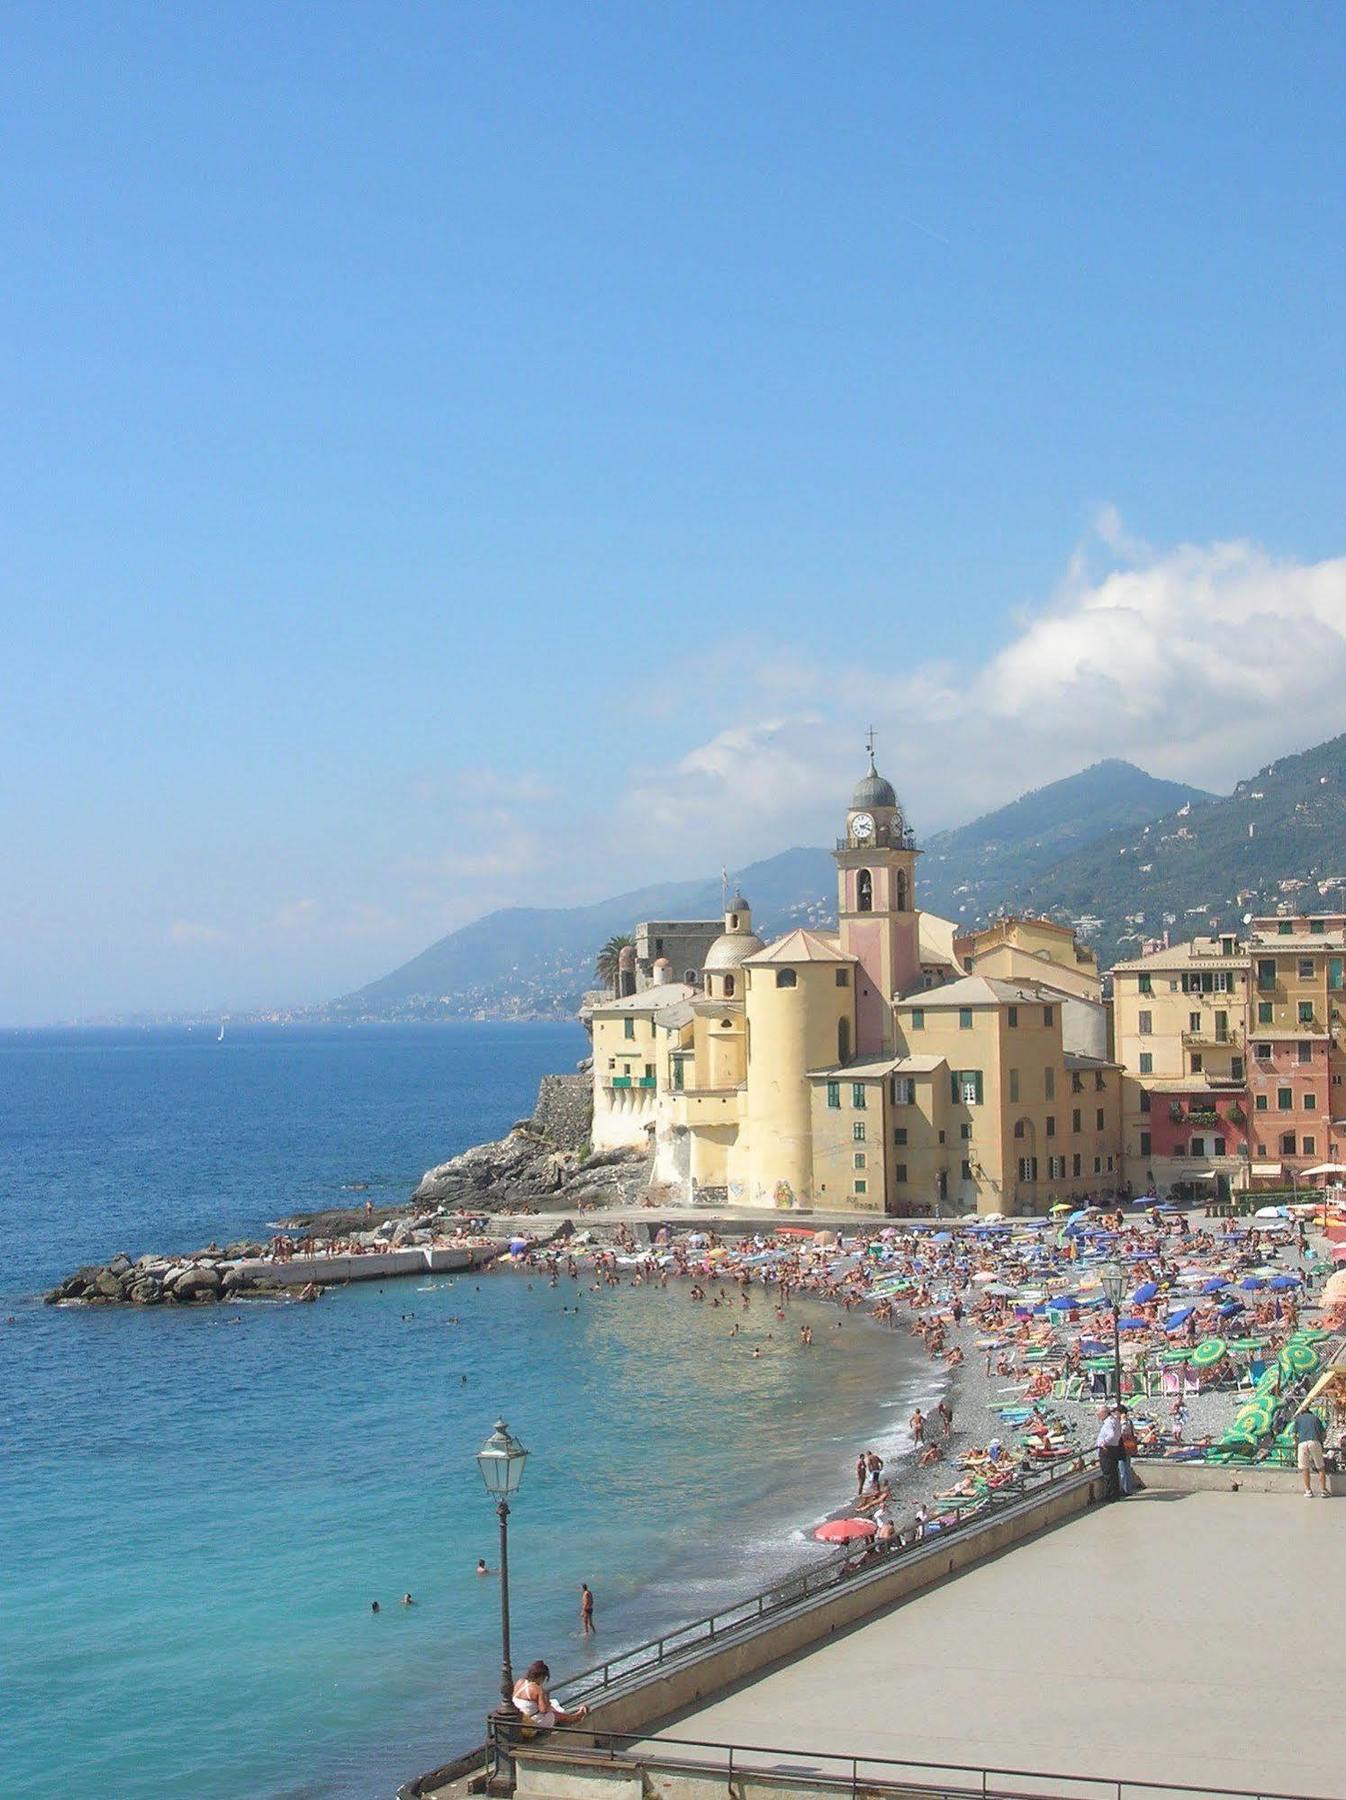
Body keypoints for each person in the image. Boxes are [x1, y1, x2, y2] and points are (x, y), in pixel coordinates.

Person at [511, 1660, 590, 1728]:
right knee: (557, 1715)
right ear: (541, 1676)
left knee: (553, 1711)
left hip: (520, 1718)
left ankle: (575, 1715)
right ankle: (577, 1716)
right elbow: (543, 1710)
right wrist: (547, 1701)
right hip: (531, 1721)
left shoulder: (520, 1682)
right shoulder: (537, 1689)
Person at [1294, 1404, 1330, 1498]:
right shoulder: (1316, 1418)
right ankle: (1323, 1490)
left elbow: (1294, 1434)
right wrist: (1321, 1442)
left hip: (1302, 1443)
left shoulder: (1298, 1419)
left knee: (1304, 1467)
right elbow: (1324, 1433)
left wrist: (1296, 1443)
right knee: (1320, 1467)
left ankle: (1308, 1490)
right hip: (1314, 1441)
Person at [1096, 1403, 1125, 1501]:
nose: (1097, 1415)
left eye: (1098, 1413)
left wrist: (1104, 1442)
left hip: (1107, 1450)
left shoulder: (1109, 1422)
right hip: (1114, 1448)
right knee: (1114, 1472)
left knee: (1108, 1473)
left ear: (1104, 1413)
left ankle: (1110, 1495)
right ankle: (1115, 1494)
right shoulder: (1114, 1420)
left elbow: (1111, 1435)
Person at [1117, 1407, 1138, 1497]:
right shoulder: (1130, 1421)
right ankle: (1128, 1488)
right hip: (1128, 1447)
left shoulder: (1124, 1422)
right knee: (1127, 1468)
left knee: (1123, 1469)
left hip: (1123, 1447)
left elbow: (1121, 1433)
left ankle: (1125, 1489)